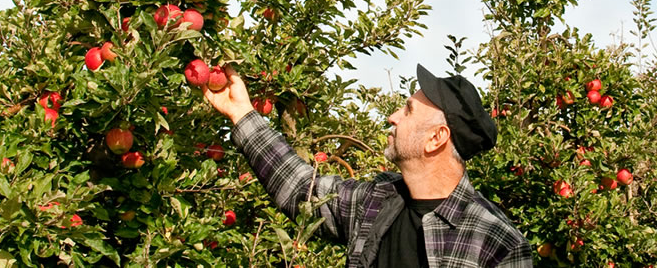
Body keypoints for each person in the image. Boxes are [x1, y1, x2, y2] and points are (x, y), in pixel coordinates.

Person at [202, 64, 532, 267]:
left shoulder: (496, 243)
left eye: (407, 110)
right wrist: (242, 114)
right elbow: (302, 188)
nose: (392, 117)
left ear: (436, 138)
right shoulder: (376, 201)